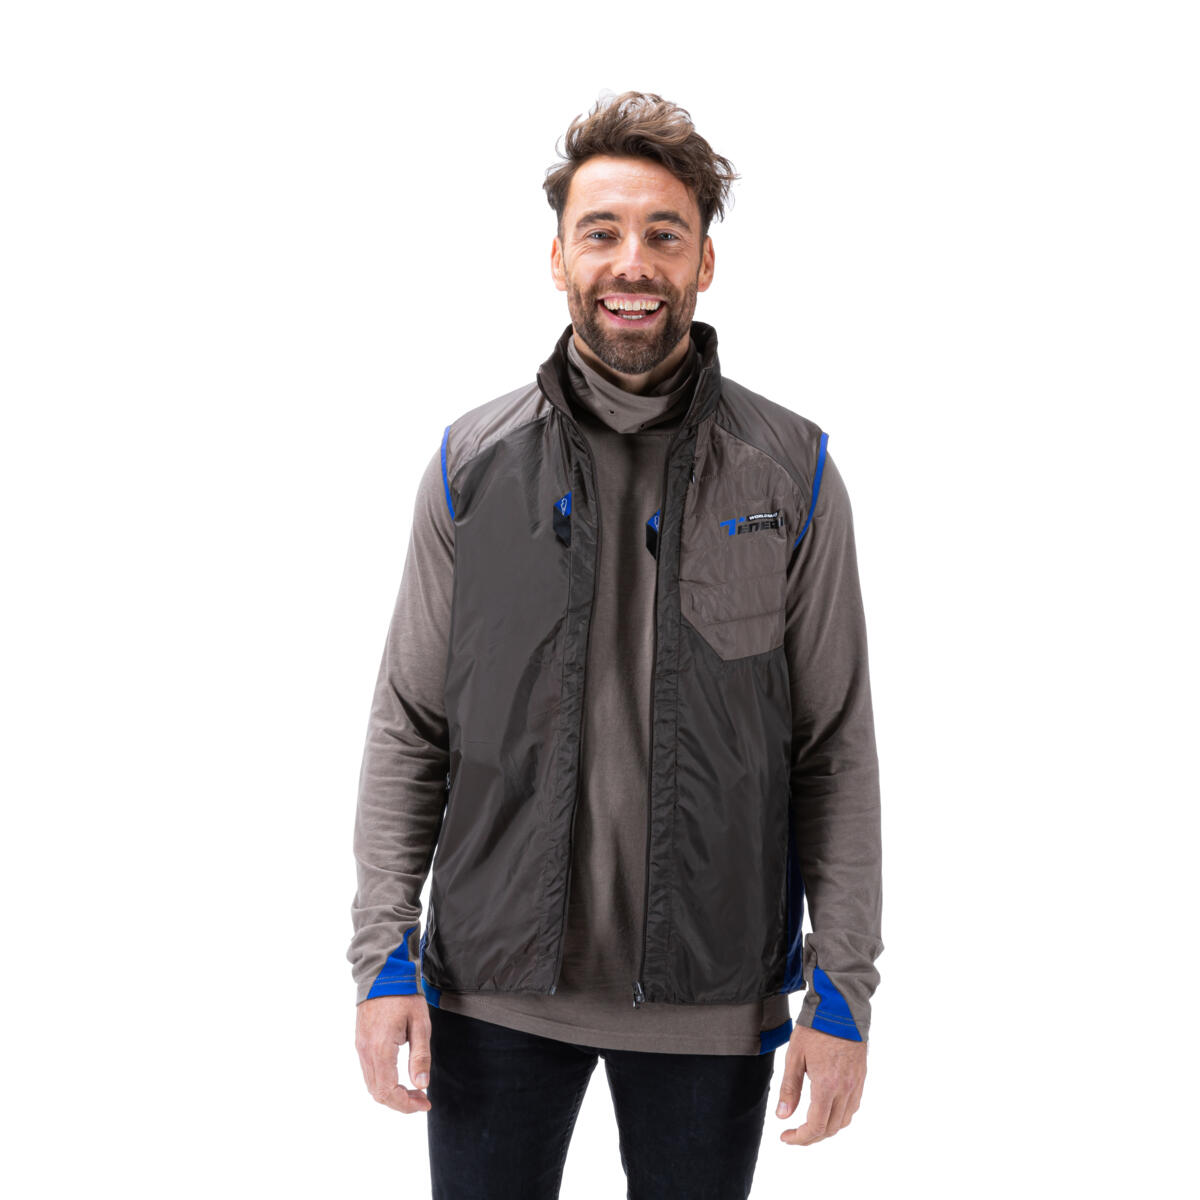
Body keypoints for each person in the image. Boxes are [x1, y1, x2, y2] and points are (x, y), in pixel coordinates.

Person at [347, 90, 883, 1199]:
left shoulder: (793, 474)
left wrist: (843, 992)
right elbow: (411, 726)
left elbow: (832, 747)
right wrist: (381, 956)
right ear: (559, 258)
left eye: (663, 234)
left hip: (714, 1004)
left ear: (704, 263)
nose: (631, 262)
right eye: (602, 232)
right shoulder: (469, 467)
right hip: (490, 994)